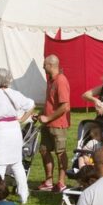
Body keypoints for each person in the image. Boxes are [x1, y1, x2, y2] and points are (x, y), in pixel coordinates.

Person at [0, 68, 36, 204]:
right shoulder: (15, 94)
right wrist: (22, 119)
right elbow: (31, 105)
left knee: (0, 165)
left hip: (1, 132)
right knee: (17, 165)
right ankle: (24, 194)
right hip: (14, 130)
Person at [38, 54, 70, 193]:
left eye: (44, 64)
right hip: (48, 123)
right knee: (44, 150)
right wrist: (40, 114)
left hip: (58, 124)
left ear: (51, 65)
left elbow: (65, 106)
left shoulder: (61, 80)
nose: (43, 67)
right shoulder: (50, 80)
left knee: (60, 153)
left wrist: (48, 118)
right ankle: (49, 181)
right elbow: (50, 102)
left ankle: (61, 183)